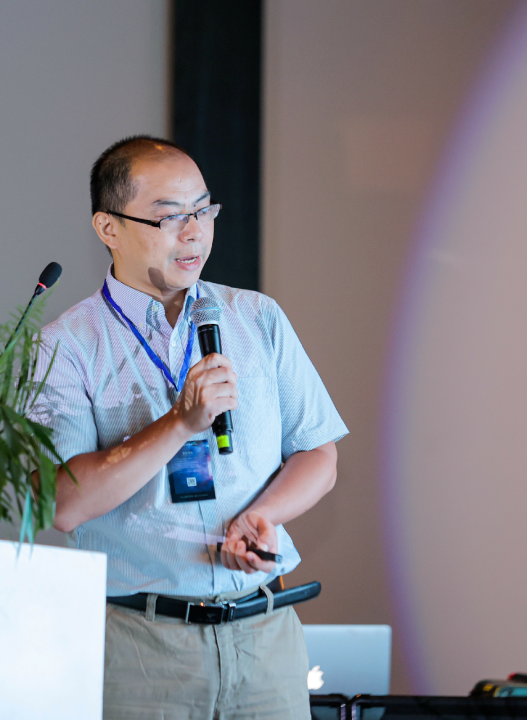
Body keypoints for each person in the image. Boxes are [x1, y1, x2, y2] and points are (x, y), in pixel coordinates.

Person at [29, 135, 348, 719]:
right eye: (170, 216)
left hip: (264, 636)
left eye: (204, 211)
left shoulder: (256, 317)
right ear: (108, 227)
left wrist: (263, 516)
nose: (195, 232)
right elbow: (63, 504)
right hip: (139, 643)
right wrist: (179, 424)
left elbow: (318, 455)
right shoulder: (65, 347)